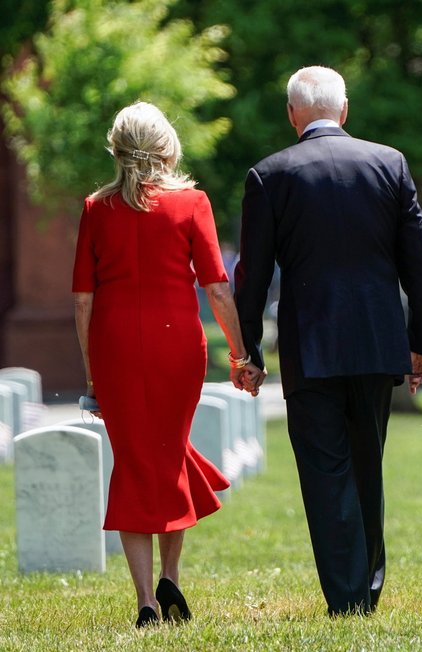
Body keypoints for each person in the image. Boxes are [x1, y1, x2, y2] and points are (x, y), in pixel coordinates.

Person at [233, 66, 422, 616]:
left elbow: (250, 276)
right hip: (376, 340)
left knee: (326, 473)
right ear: (343, 112)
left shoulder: (268, 175)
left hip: (310, 343)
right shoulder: (388, 163)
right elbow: (419, 265)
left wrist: (247, 352)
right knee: (367, 464)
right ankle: (366, 587)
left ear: (292, 114)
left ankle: (346, 597)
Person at [72, 102, 252, 628]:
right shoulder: (192, 202)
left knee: (134, 461)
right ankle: (170, 576)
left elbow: (83, 300)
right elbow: (217, 286)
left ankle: (146, 600)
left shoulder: (94, 208)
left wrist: (90, 375)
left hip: (116, 348)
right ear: (167, 145)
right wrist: (239, 354)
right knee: (169, 454)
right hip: (178, 345)